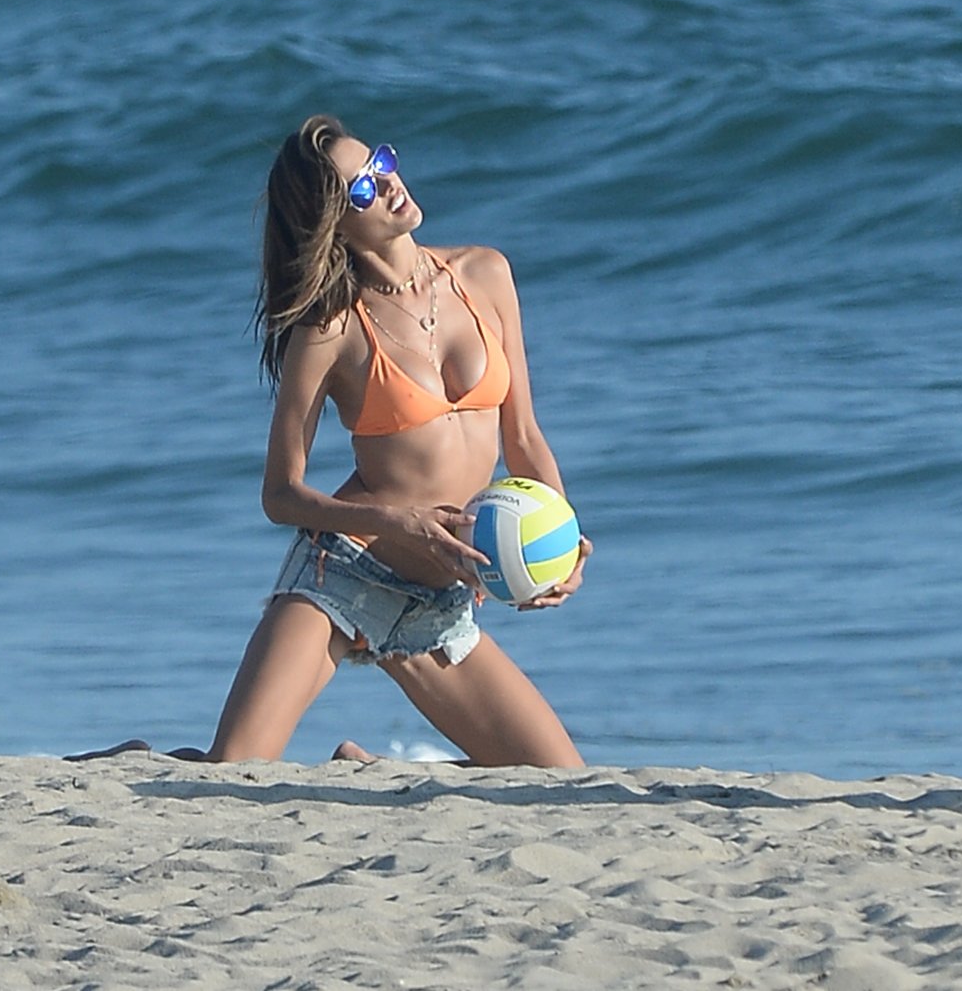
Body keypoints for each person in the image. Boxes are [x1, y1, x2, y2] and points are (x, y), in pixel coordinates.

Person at [80, 115, 590, 767]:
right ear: (333, 224)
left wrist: (561, 541)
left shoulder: (485, 275)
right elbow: (280, 494)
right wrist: (397, 519)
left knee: (556, 776)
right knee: (235, 768)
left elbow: (522, 436)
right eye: (361, 189)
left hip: (439, 602)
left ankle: (368, 771)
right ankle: (131, 761)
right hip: (344, 575)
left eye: (381, 163)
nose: (388, 184)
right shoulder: (330, 331)